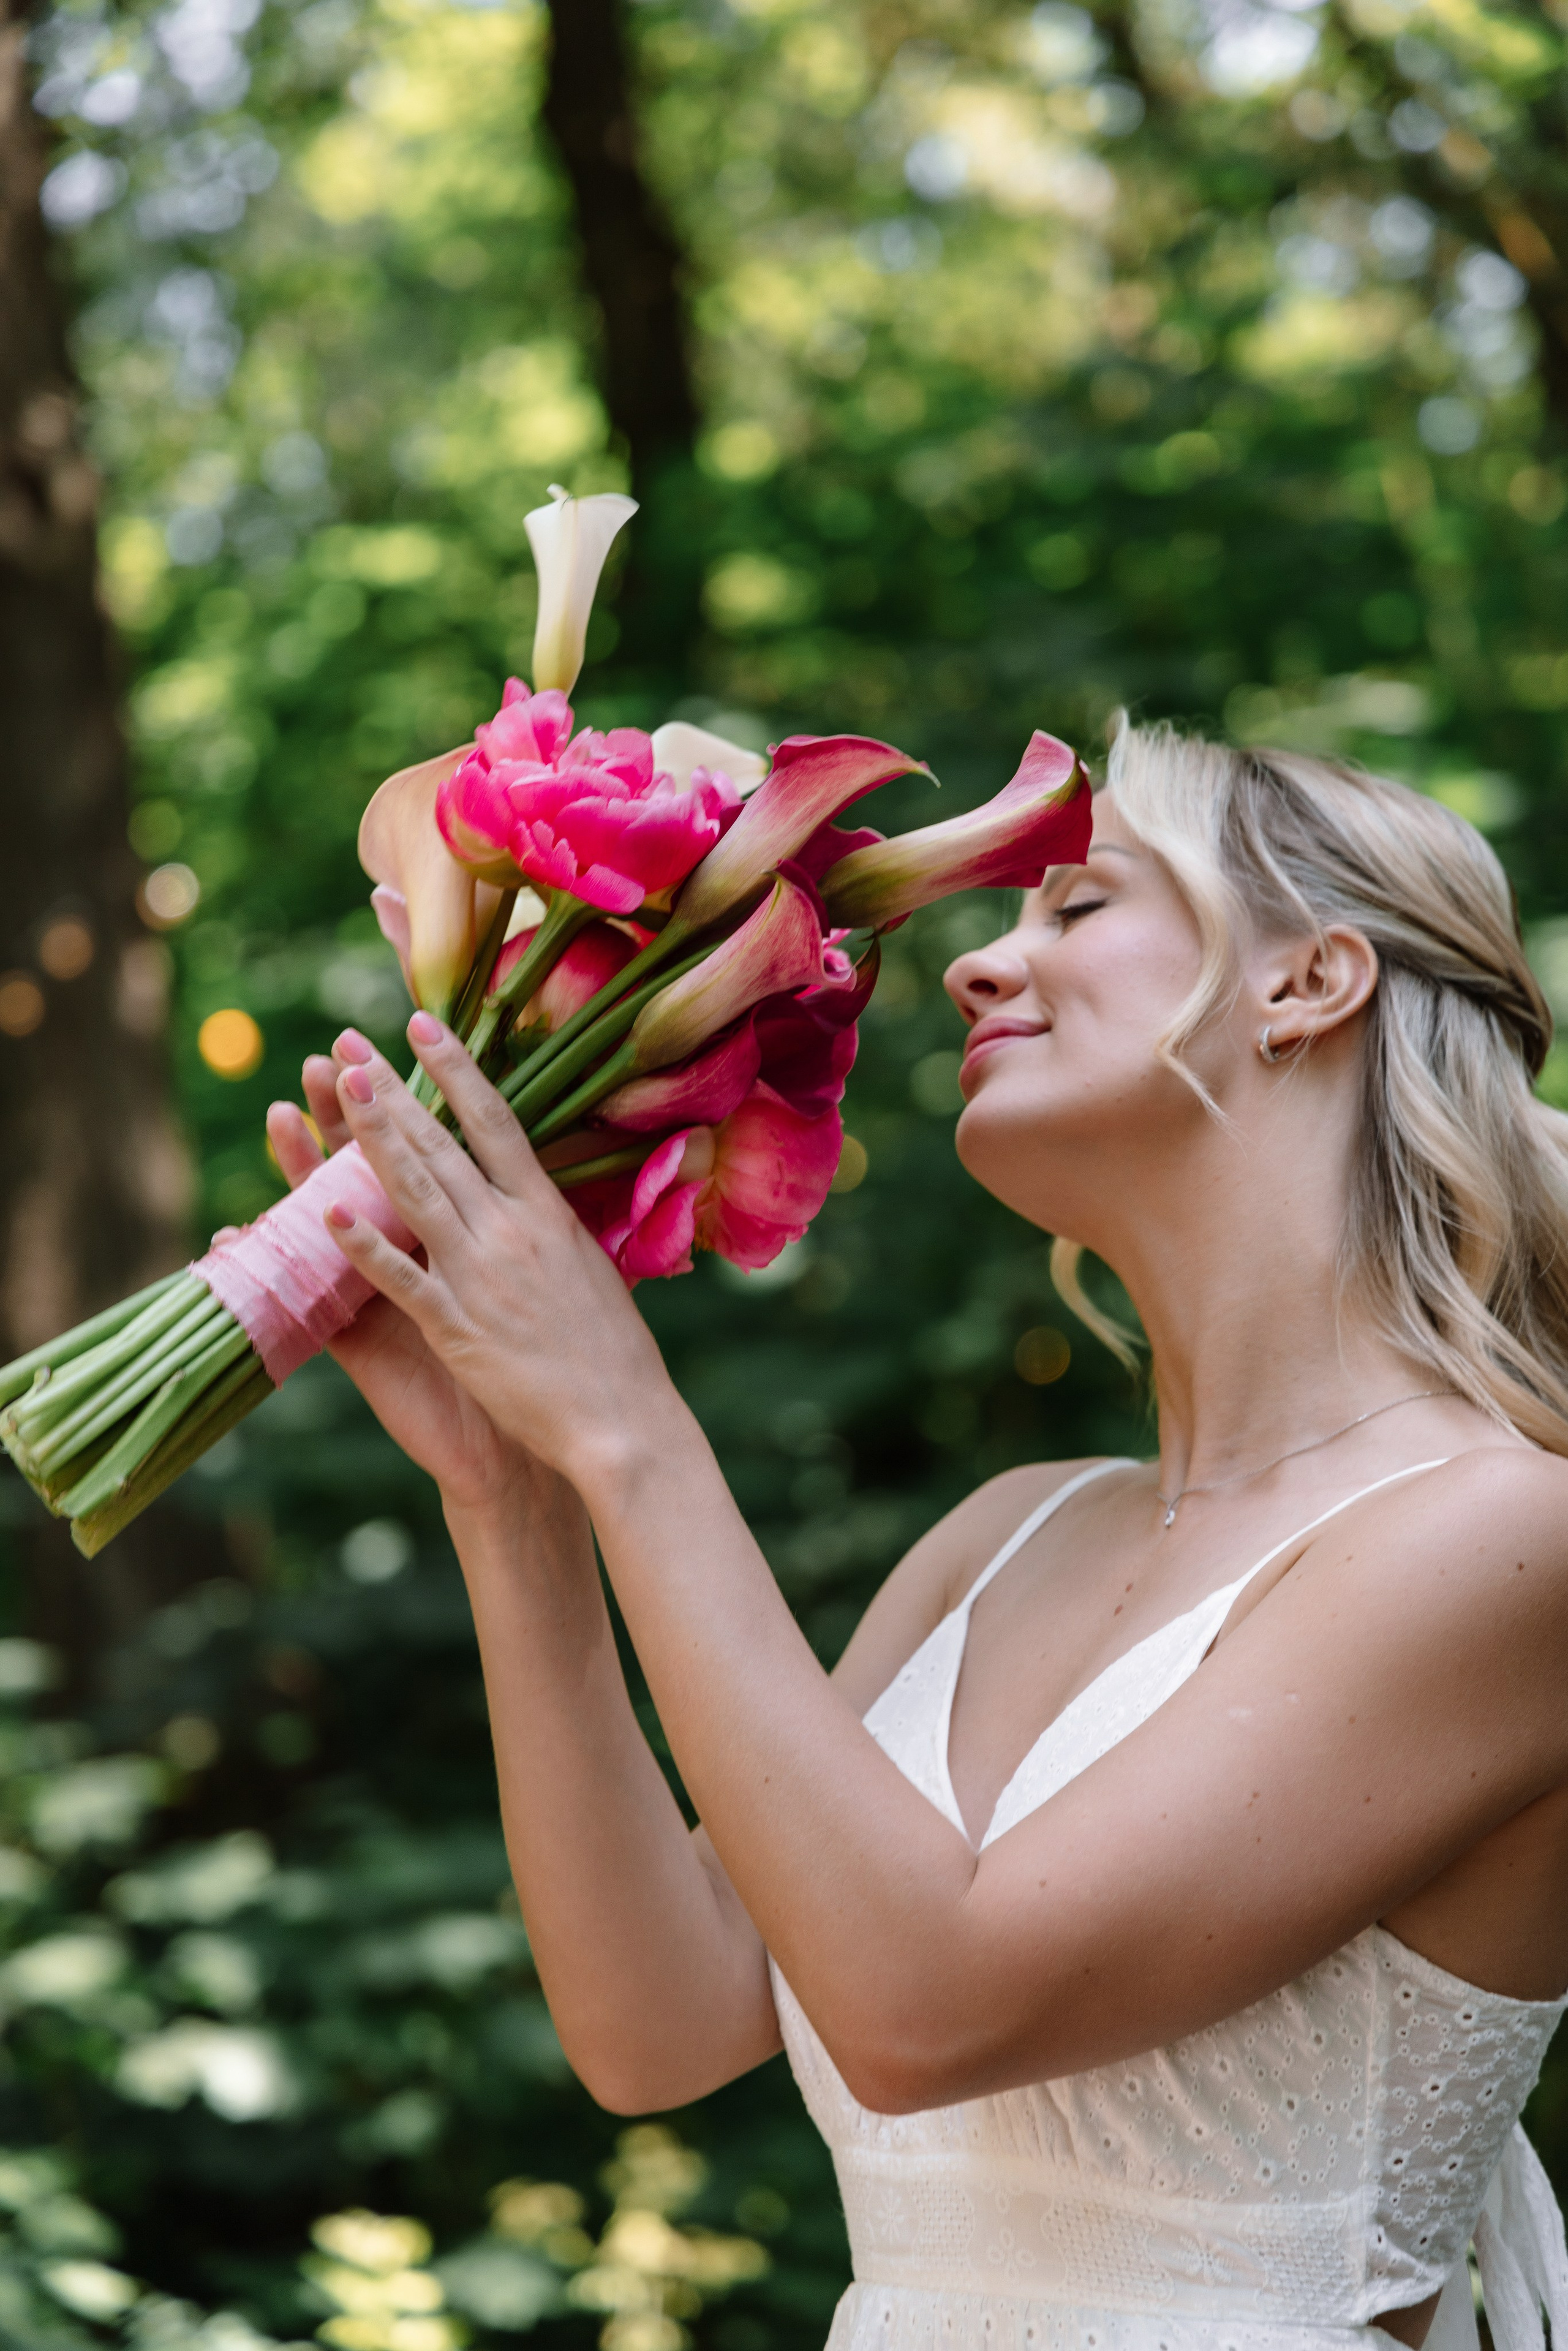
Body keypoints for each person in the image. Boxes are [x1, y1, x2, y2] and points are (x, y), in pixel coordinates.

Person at [268, 719, 1568, 2351]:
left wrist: (633, 1428)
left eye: (1077, 908)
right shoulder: (1007, 1536)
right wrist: (515, 1494)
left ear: (1308, 982)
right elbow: (656, 2022)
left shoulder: (1509, 1539)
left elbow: (923, 2005)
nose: (979, 964)